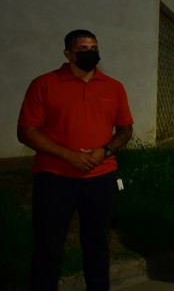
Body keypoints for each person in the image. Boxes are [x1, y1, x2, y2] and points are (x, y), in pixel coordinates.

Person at [17, 29, 134, 291]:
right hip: (54, 179)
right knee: (48, 247)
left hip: (100, 179)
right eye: (83, 49)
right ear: (68, 54)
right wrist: (70, 156)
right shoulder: (44, 84)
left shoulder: (114, 87)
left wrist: (104, 151)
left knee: (97, 245)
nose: (90, 52)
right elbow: (26, 132)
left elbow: (125, 130)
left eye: (94, 47)